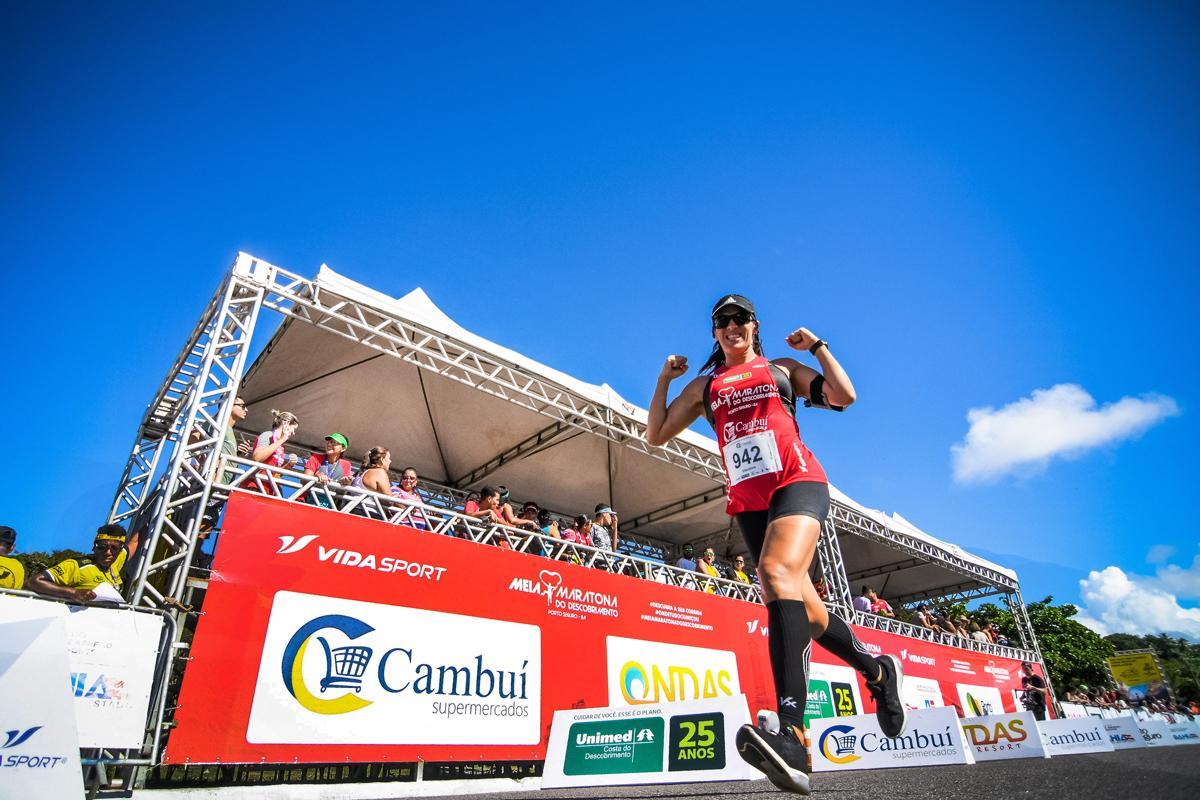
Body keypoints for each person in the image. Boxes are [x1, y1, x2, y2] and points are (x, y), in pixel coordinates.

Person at [647, 293, 904, 794]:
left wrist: (819, 347)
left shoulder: (781, 368)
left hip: (797, 480)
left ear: (754, 325)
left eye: (739, 318)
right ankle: (877, 671)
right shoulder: (706, 385)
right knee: (804, 609)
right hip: (750, 503)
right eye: (721, 321)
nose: (731, 325)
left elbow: (844, 396)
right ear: (715, 332)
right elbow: (657, 433)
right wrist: (664, 381)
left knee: (775, 574)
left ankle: (791, 733)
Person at [28, 525, 139, 603]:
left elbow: (135, 542)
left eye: (114, 548)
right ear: (94, 548)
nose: (108, 553)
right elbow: (33, 582)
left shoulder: (115, 563)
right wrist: (73, 592)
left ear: (120, 551)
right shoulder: (77, 565)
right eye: (102, 547)